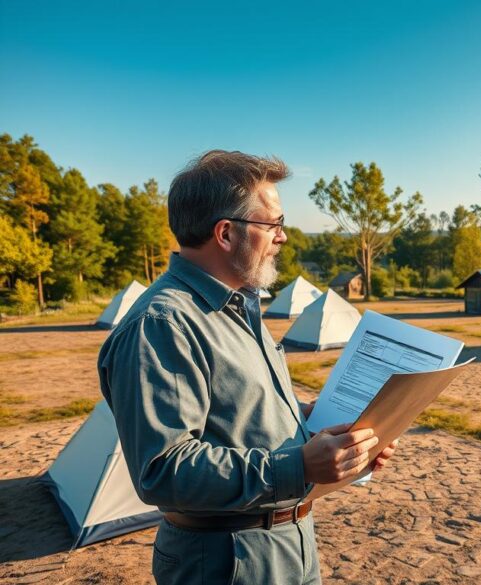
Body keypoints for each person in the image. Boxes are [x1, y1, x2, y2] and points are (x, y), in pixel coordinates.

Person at [98, 150, 395, 584]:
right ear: (225, 233)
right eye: (273, 224)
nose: (282, 237)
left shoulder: (238, 307)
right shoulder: (162, 324)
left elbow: (238, 410)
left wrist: (317, 425)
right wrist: (300, 467)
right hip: (227, 562)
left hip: (289, 547)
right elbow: (163, 470)